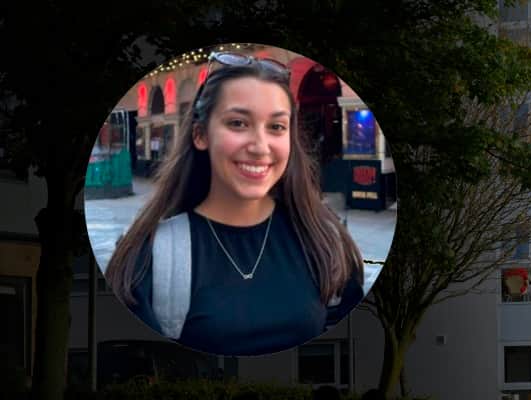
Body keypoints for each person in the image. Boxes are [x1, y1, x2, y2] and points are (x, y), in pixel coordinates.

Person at [103, 52, 364, 356]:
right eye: (238, 123)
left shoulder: (324, 244)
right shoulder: (150, 259)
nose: (259, 146)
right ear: (200, 135)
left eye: (276, 127)